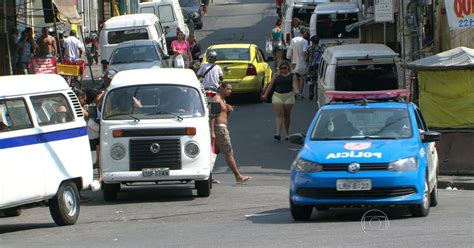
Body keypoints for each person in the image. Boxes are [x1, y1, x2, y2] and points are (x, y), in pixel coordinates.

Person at [211, 82, 252, 184]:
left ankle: (209, 176)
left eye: (231, 89)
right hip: (219, 129)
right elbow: (212, 116)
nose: (230, 91)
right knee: (229, 153)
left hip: (222, 128)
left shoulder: (223, 100)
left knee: (213, 153)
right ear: (221, 88)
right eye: (228, 89)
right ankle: (238, 176)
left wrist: (228, 111)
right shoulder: (217, 99)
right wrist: (212, 132)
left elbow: (224, 117)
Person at [261, 61, 300, 141]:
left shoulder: (293, 76)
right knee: (279, 114)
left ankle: (286, 133)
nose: (283, 70)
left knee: (287, 115)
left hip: (289, 96)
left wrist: (296, 91)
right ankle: (278, 133)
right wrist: (265, 94)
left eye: (285, 68)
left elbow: (294, 85)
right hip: (277, 96)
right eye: (281, 68)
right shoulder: (276, 75)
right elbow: (270, 85)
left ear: (288, 68)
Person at [287, 28, 308, 99]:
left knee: (295, 78)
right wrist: (306, 60)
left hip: (294, 62)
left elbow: (292, 51)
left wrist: (292, 61)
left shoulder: (293, 40)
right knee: (302, 78)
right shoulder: (305, 41)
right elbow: (304, 52)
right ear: (304, 33)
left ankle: (295, 92)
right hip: (301, 62)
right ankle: (300, 93)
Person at [305, 35, 322, 101]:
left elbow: (306, 58)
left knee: (311, 81)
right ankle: (318, 96)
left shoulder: (309, 48)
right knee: (318, 81)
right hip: (318, 66)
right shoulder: (321, 48)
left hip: (311, 66)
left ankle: (311, 93)